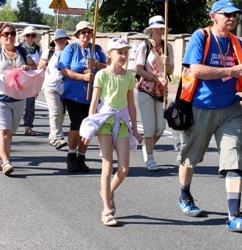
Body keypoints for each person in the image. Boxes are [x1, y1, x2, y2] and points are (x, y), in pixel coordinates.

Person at [177, 0, 242, 234]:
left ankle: (234, 215)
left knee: (234, 162)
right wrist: (228, 71)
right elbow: (195, 70)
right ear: (214, 16)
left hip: (230, 111)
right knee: (190, 159)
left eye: (235, 15)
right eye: (227, 15)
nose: (232, 18)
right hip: (200, 107)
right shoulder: (200, 37)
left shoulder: (237, 43)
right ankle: (185, 196)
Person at [79, 37, 143, 226]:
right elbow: (94, 103)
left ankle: (107, 191)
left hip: (122, 122)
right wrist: (89, 128)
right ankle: (107, 210)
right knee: (107, 165)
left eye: (125, 52)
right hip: (104, 121)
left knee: (124, 168)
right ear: (110, 55)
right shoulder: (102, 75)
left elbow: (131, 105)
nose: (123, 55)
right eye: (119, 52)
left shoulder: (129, 76)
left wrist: (135, 129)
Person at [0, 22, 36, 176]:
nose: (9, 36)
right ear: (0, 37)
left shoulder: (22, 51)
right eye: (6, 34)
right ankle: (6, 161)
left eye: (12, 33)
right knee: (3, 130)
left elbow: (34, 67)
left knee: (10, 132)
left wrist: (27, 68)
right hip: (0, 96)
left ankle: (1, 156)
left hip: (19, 97)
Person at [58, 21, 107, 173]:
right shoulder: (71, 48)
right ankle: (71, 155)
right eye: (83, 31)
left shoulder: (96, 49)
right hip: (73, 95)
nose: (86, 34)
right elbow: (64, 70)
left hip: (92, 97)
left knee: (88, 128)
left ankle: (81, 157)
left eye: (89, 32)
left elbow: (107, 68)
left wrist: (97, 64)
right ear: (78, 34)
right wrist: (83, 77)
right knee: (76, 124)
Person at [135, 15, 174, 171]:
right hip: (145, 89)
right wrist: (156, 79)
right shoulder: (144, 46)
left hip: (161, 92)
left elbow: (171, 70)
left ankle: (147, 146)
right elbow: (138, 69)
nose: (159, 31)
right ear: (150, 30)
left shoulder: (168, 47)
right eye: (157, 28)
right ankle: (150, 158)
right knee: (150, 127)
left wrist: (166, 64)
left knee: (160, 127)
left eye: (161, 28)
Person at [38, 29, 71, 149]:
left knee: (62, 114)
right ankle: (57, 138)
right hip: (50, 86)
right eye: (59, 38)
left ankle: (52, 137)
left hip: (65, 87)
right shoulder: (49, 52)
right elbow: (40, 68)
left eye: (64, 38)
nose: (62, 40)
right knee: (55, 111)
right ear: (54, 40)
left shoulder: (70, 51)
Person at [20, 26, 42, 136]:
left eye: (32, 35)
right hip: (20, 79)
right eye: (28, 35)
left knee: (30, 103)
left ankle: (28, 126)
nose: (30, 38)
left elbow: (41, 65)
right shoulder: (19, 48)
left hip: (33, 78)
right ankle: (9, 125)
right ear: (24, 37)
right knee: (17, 102)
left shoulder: (38, 49)